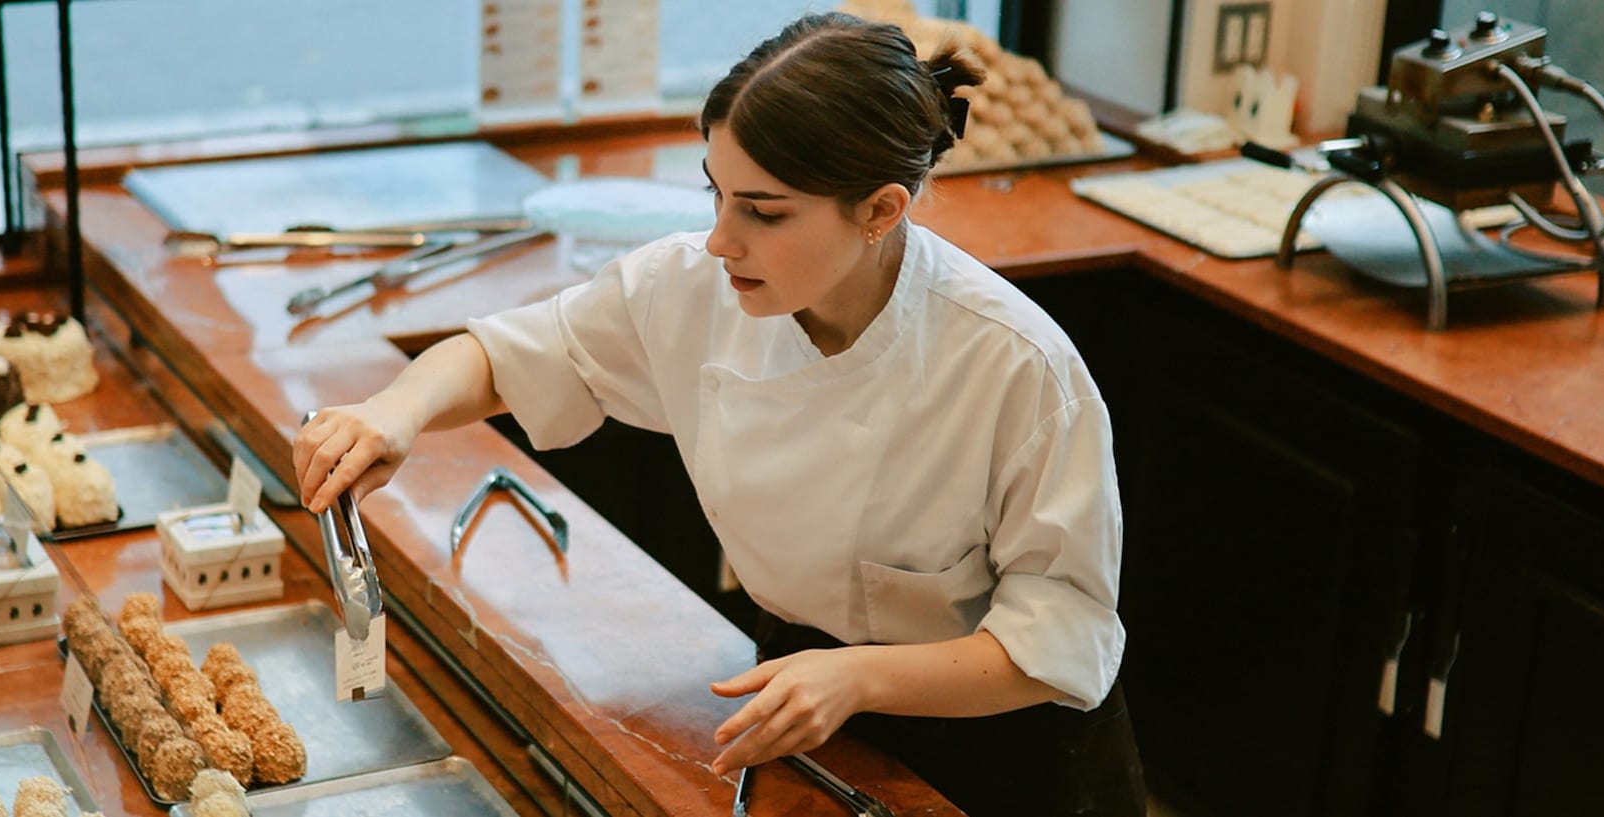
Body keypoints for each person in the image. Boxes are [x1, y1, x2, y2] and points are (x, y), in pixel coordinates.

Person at [293, 12, 1143, 815]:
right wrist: (394, 411)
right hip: (797, 694)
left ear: (882, 210)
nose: (719, 241)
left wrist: (860, 678)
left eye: (763, 212)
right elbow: (513, 354)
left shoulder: (1015, 365)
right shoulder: (696, 290)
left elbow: (1059, 639)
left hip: (1004, 749)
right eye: (717, 195)